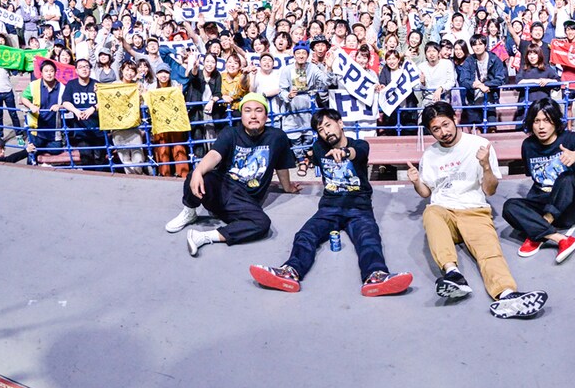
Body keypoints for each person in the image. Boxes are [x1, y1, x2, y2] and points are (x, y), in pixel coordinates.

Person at [405, 101, 548, 319]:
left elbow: (490, 190)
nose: (443, 132)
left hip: (474, 210)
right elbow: (426, 193)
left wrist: (486, 166)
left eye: (445, 124)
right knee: (431, 212)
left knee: (489, 252)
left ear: (455, 118)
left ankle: (507, 295)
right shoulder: (430, 155)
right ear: (430, 131)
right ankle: (453, 275)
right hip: (444, 211)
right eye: (436, 129)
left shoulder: (479, 145)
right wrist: (416, 182)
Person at [248, 109, 413, 297]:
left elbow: (357, 152)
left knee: (369, 238)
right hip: (329, 207)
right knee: (305, 234)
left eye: (328, 125)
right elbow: (312, 155)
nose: (326, 131)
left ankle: (376, 275)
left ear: (340, 124)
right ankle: (290, 272)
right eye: (320, 129)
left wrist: (344, 153)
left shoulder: (360, 145)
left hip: (358, 207)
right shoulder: (319, 148)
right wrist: (306, 159)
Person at [164, 93, 300, 256]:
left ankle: (204, 237)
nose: (254, 115)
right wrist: (199, 171)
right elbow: (215, 154)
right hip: (223, 187)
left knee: (262, 224)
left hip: (246, 200)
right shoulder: (231, 133)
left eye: (259, 110)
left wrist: (288, 187)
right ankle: (189, 211)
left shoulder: (277, 137)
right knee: (197, 175)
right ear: (242, 115)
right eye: (248, 110)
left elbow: (281, 166)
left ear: (266, 115)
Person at [501, 98, 575, 262]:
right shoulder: (528, 145)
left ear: (555, 122)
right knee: (509, 206)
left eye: (547, 121)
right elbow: (536, 179)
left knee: (567, 177)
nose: (541, 127)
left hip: (571, 206)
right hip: (543, 202)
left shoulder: (570, 139)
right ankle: (559, 239)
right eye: (536, 121)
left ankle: (539, 228)